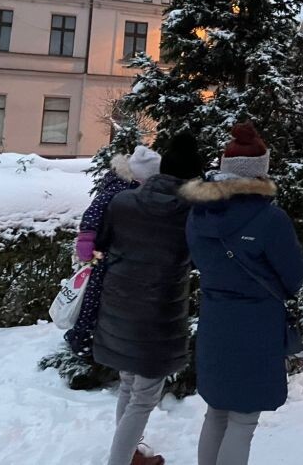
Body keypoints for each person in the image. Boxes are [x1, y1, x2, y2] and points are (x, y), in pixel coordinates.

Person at [184, 121, 303, 465]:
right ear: (260, 174)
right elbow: (294, 275)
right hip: (256, 325)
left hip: (214, 320)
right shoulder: (270, 219)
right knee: (244, 419)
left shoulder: (198, 215)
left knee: (216, 412)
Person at [93, 133, 204, 465]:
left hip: (117, 306)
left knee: (128, 384)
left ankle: (131, 455)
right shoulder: (191, 213)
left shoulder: (123, 202)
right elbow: (199, 257)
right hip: (157, 316)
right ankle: (121, 460)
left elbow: (100, 244)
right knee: (144, 397)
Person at [65, 146, 161, 356]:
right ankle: (82, 338)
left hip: (123, 255)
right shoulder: (117, 190)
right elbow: (93, 214)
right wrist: (86, 239)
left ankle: (96, 338)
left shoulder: (136, 191)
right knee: (94, 296)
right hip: (104, 253)